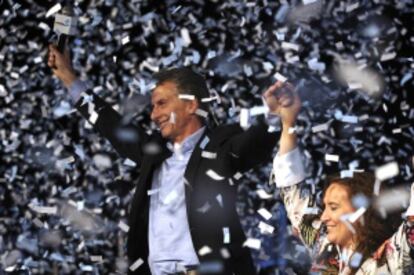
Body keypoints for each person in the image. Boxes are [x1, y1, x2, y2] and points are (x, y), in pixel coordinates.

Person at [47, 44, 296, 275]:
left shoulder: (221, 146)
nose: (154, 115)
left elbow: (253, 145)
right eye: (153, 106)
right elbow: (110, 124)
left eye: (162, 104)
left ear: (190, 106)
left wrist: (273, 117)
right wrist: (69, 78)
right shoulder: (152, 153)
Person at [271, 94, 414, 274]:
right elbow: (291, 189)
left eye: (333, 207)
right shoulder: (322, 245)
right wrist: (288, 122)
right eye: (325, 207)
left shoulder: (389, 260)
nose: (323, 217)